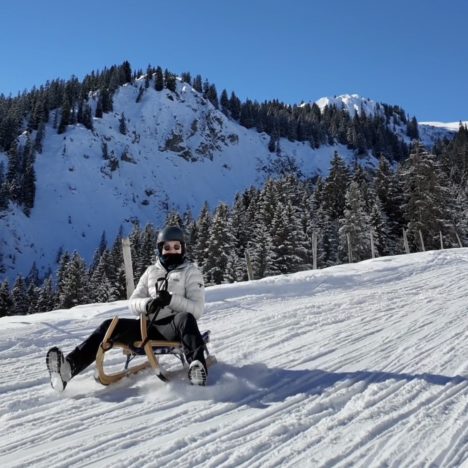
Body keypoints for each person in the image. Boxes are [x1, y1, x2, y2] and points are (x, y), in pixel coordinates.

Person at [46, 225, 208, 391]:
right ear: (160, 250)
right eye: (166, 247)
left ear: (182, 248)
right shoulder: (151, 272)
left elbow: (197, 310)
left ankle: (196, 367)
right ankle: (68, 368)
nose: (171, 251)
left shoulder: (191, 272)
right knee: (108, 326)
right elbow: (133, 302)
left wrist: (171, 300)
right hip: (148, 326)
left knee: (186, 318)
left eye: (176, 247)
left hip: (174, 326)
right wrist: (147, 304)